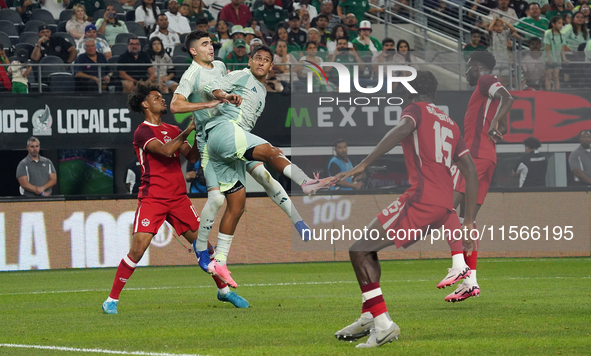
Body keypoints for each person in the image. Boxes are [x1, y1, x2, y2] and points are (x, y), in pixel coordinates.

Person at [332, 71, 479, 348]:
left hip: (420, 199)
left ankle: (383, 324)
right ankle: (368, 316)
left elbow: (402, 128)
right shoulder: (451, 123)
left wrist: (363, 163)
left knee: (358, 249)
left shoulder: (414, 109)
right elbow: (470, 171)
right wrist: (468, 221)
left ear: (412, 91)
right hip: (443, 203)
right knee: (367, 247)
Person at [170, 32, 323, 282]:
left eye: (211, 42)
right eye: (205, 43)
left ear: (272, 66)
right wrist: (216, 100)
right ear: (193, 51)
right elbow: (179, 104)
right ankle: (200, 250)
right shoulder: (195, 75)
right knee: (218, 198)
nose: (211, 47)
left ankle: (295, 224)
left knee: (251, 191)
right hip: (212, 138)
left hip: (234, 137)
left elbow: (219, 83)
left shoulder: (222, 67)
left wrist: (222, 97)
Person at [101, 83, 250, 315]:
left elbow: (190, 156)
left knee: (204, 247)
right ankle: (111, 300)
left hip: (179, 199)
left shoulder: (171, 128)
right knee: (138, 250)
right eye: (157, 97)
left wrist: (204, 134)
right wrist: (189, 128)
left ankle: (224, 292)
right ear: (145, 104)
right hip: (153, 198)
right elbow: (166, 151)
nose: (163, 100)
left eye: (162, 96)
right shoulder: (143, 131)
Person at [448, 51, 514, 302]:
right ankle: (471, 282)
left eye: (467, 68)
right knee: (467, 219)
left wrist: (494, 122)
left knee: (444, 207)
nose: (466, 72)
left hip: (474, 155)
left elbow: (509, 97)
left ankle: (458, 265)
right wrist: (496, 126)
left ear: (477, 68)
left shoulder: (485, 81)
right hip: (488, 156)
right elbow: (504, 127)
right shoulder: (490, 96)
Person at [544, 15, 567, 90]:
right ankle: (548, 93)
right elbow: (547, 47)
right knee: (549, 77)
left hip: (557, 60)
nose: (561, 25)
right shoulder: (548, 33)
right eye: (559, 23)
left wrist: (564, 58)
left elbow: (562, 48)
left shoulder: (562, 35)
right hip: (549, 59)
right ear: (553, 24)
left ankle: (557, 93)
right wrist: (547, 58)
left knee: (556, 76)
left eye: (562, 23)